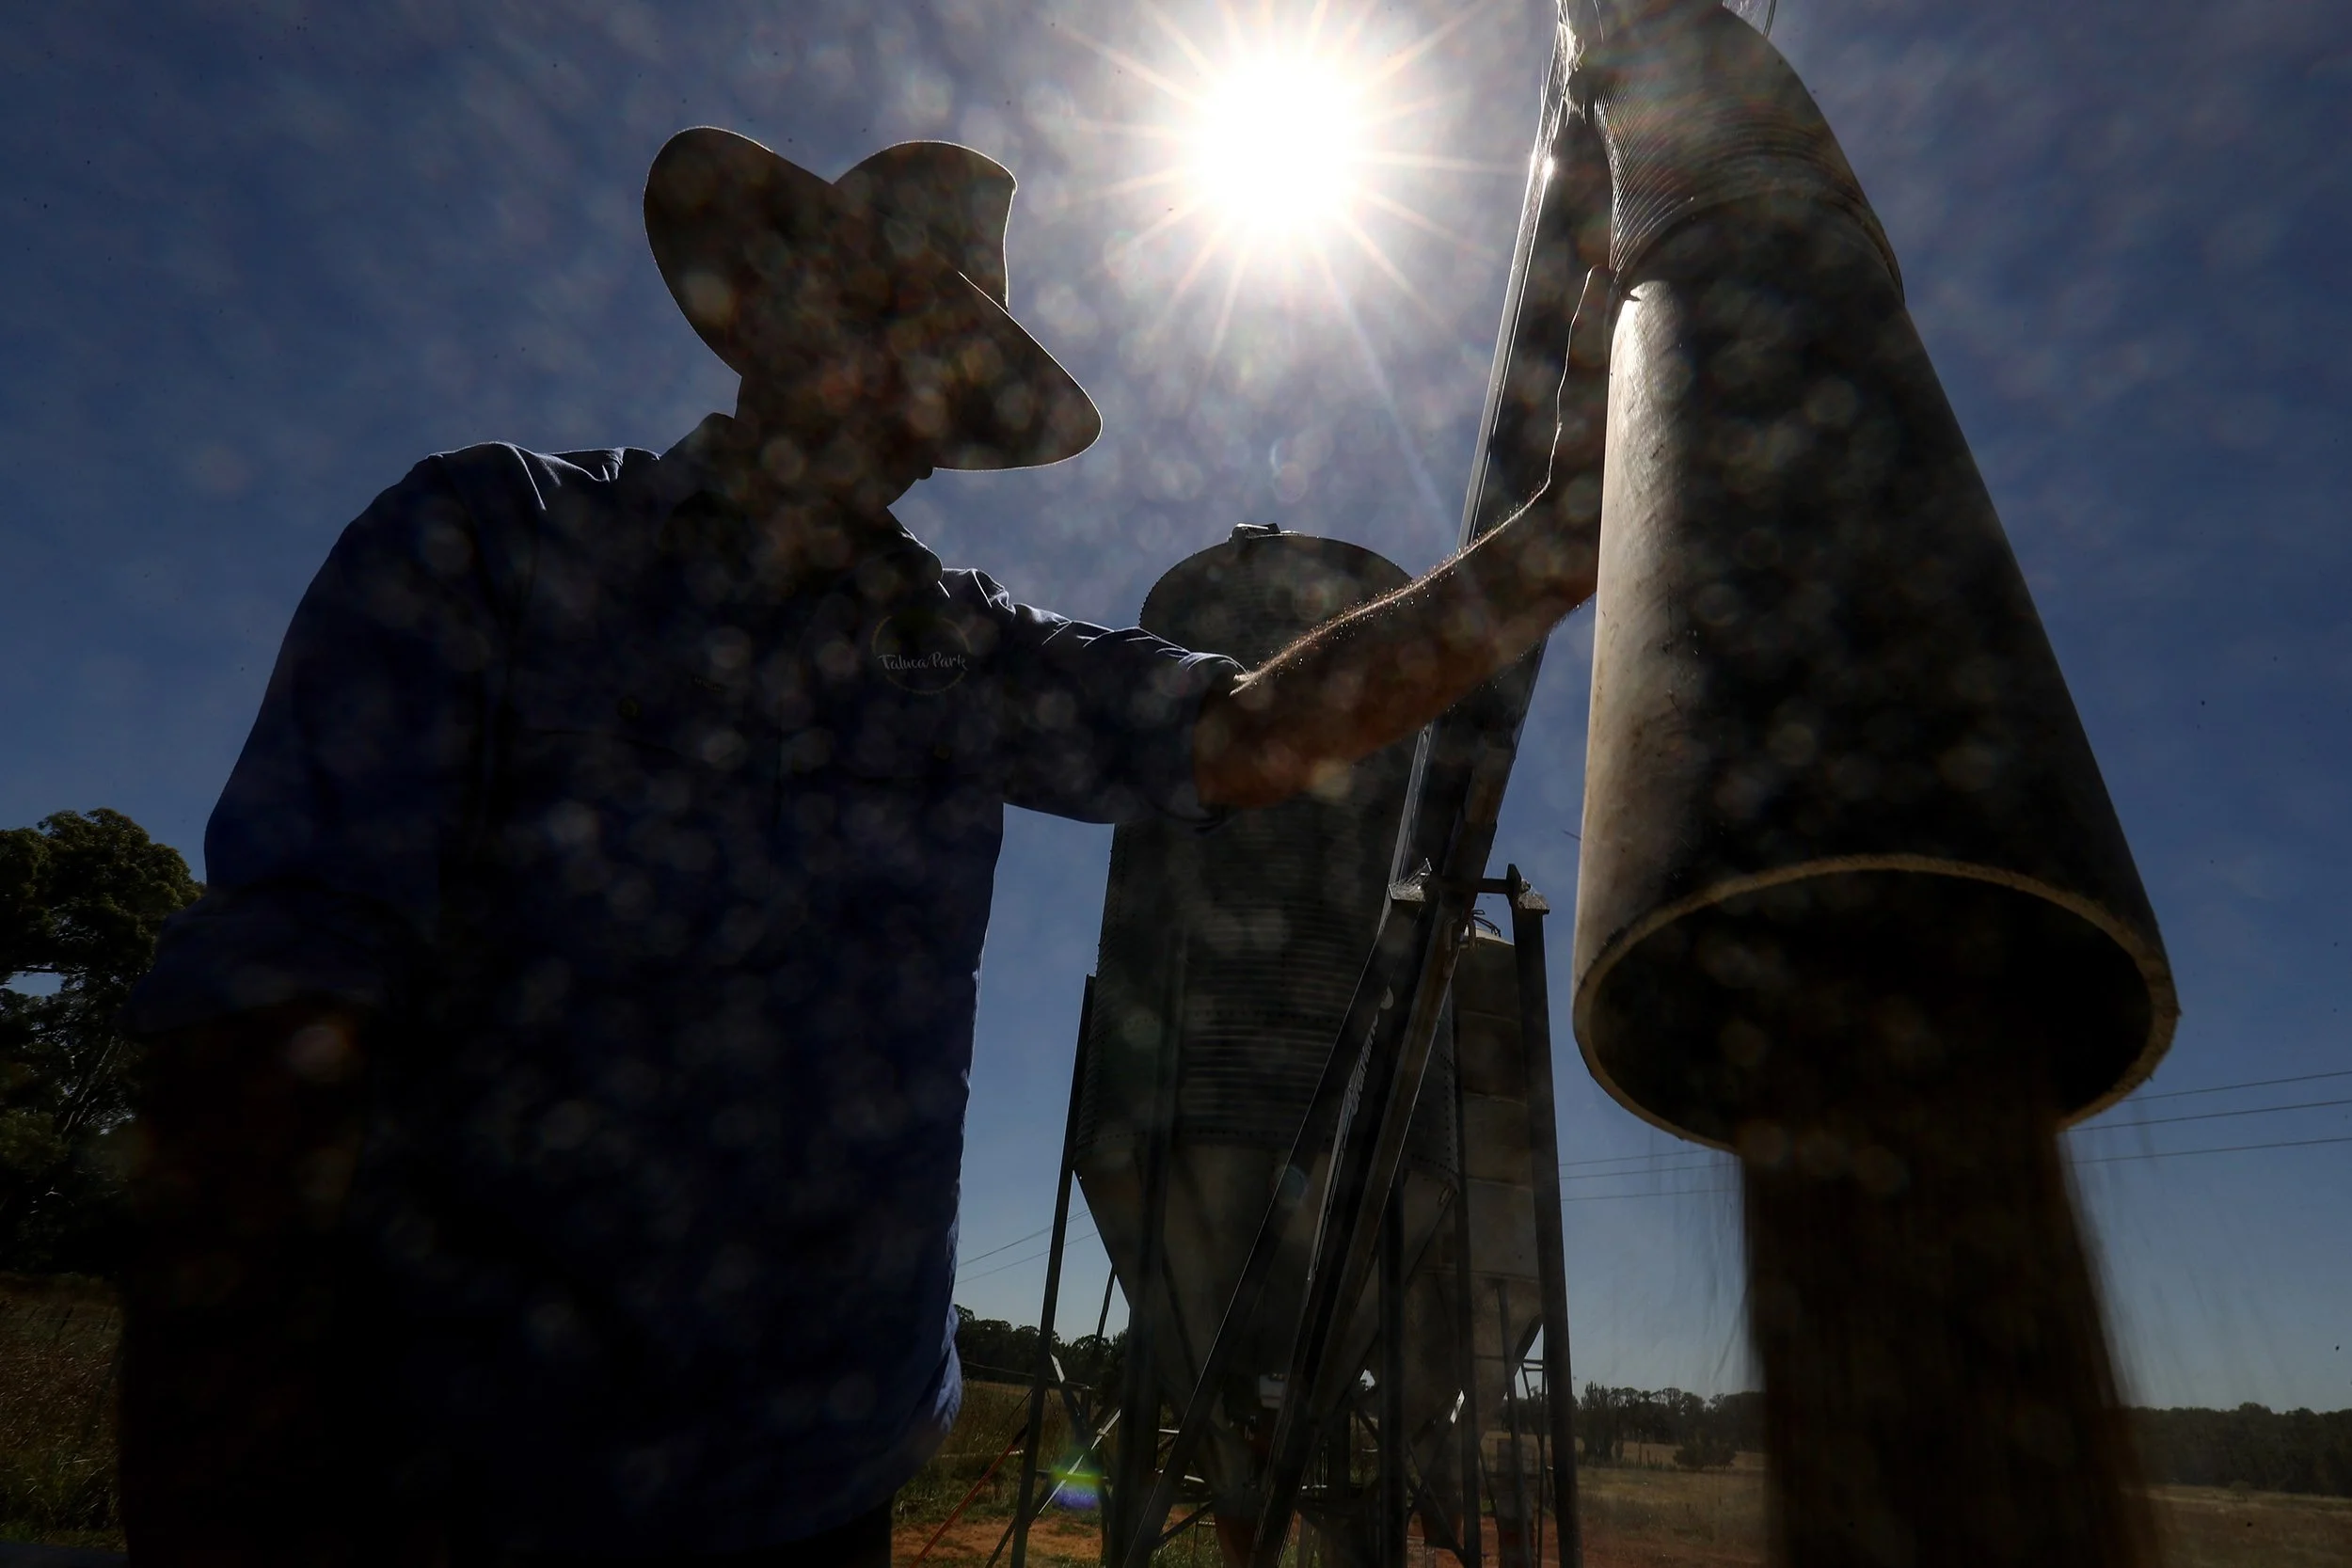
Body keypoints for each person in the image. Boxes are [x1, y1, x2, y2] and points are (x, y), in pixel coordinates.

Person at [118, 127, 1598, 1566]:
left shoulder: (962, 656)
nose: (903, 381)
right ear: (757, 309)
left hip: (819, 1486)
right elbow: (272, 1005)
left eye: (946, 366)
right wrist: (216, 1464)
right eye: (876, 309)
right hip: (471, 1471)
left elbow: (1256, 734)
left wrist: (1551, 546)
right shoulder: (492, 544)